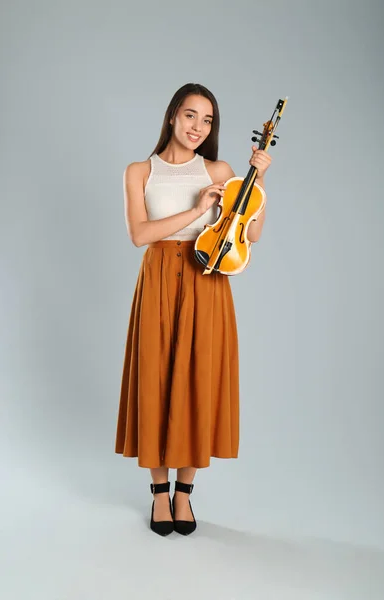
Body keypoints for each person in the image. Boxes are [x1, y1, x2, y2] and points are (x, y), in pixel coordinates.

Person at [115, 82, 272, 536]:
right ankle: (158, 494)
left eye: (207, 120)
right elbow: (140, 235)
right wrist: (197, 208)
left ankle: (184, 493)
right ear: (171, 116)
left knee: (197, 380)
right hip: (160, 278)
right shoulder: (139, 171)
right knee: (157, 379)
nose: (198, 127)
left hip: (208, 283)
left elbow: (253, 234)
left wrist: (257, 181)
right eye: (190, 116)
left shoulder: (221, 169)